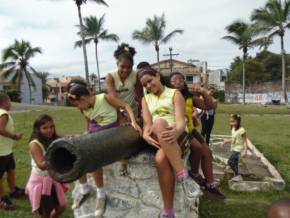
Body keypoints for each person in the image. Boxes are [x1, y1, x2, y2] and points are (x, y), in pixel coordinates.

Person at [67, 80, 141, 216]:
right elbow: (89, 120)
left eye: (78, 103)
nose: (78, 107)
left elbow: (125, 105)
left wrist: (133, 122)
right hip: (96, 133)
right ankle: (84, 189)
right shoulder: (83, 108)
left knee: (93, 158)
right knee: (76, 152)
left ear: (83, 98)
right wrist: (86, 133)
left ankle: (101, 194)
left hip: (109, 132)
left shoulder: (105, 98)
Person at [140, 67, 201, 218]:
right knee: (159, 123)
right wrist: (145, 135)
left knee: (160, 159)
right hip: (158, 135)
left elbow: (181, 122)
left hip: (176, 135)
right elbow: (148, 124)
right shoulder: (145, 99)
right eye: (145, 85)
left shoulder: (175, 94)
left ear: (158, 76)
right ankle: (183, 177)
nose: (148, 86)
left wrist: (176, 132)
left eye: (150, 81)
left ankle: (168, 211)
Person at [169, 72, 224, 198]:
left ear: (184, 83)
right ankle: (194, 173)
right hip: (180, 130)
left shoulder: (190, 97)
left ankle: (210, 183)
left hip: (191, 129)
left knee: (208, 152)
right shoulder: (167, 96)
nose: (178, 82)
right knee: (197, 148)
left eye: (181, 80)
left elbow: (208, 106)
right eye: (174, 81)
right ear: (169, 83)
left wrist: (203, 92)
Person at [26, 114, 67, 218]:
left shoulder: (53, 138)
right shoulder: (34, 144)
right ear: (37, 129)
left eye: (51, 127)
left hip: (53, 178)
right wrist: (58, 157)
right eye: (45, 128)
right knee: (45, 212)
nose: (49, 130)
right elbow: (41, 165)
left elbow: (69, 138)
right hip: (40, 181)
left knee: (61, 207)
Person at [0, 93, 25, 210]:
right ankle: (1, 199)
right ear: (4, 102)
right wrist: (14, 136)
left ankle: (13, 190)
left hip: (6, 150)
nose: (11, 104)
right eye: (9, 101)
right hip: (1, 151)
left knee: (11, 169)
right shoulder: (3, 113)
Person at [221, 114, 248, 182]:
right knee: (235, 163)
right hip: (233, 148)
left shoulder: (242, 130)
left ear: (238, 121)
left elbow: (245, 141)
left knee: (230, 162)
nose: (231, 123)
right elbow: (234, 139)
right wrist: (226, 141)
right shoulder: (233, 128)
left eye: (233, 121)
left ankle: (238, 175)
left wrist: (245, 151)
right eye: (231, 121)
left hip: (238, 149)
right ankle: (236, 175)